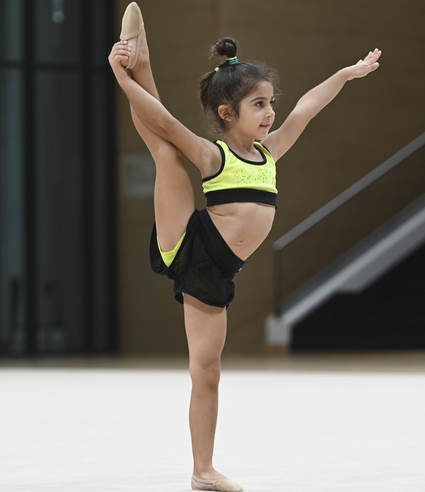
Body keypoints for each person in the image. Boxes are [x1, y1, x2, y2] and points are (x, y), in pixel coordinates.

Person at [109, 3, 381, 490]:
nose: (272, 112)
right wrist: (124, 81)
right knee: (166, 152)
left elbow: (307, 108)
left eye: (271, 102)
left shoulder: (270, 151)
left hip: (217, 273)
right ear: (226, 113)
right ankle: (139, 61)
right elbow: (165, 121)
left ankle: (202, 472)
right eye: (260, 105)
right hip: (191, 246)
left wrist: (346, 73)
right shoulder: (215, 155)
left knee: (208, 372)